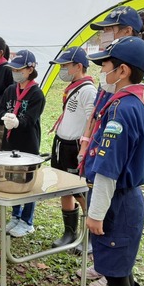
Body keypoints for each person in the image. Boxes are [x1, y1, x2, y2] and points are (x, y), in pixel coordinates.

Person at [78, 5, 144, 286]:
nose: (101, 71)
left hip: (117, 202)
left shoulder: (121, 112)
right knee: (118, 269)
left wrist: (96, 212)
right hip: (123, 200)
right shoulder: (136, 102)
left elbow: (109, 170)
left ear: (122, 70)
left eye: (105, 65)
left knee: (117, 279)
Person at [48, 47, 96, 248]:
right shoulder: (72, 88)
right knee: (64, 189)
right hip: (62, 144)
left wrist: (83, 148)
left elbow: (91, 121)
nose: (62, 70)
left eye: (65, 66)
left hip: (75, 147)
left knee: (80, 191)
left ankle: (91, 237)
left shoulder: (88, 90)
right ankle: (69, 232)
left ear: (78, 66)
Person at [0, 50, 46, 237]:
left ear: (30, 69)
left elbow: (31, 119)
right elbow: (0, 109)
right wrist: (5, 117)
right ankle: (16, 216)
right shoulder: (10, 90)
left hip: (28, 144)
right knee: (13, 181)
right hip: (10, 143)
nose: (15, 72)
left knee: (27, 182)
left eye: (19, 69)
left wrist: (18, 121)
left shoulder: (36, 94)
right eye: (13, 69)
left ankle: (27, 220)